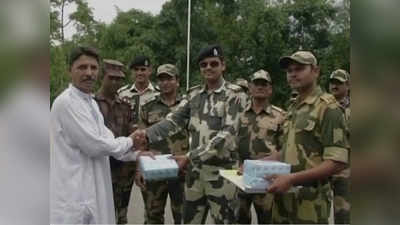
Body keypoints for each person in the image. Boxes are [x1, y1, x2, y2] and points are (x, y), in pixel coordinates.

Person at [133, 44, 248, 224]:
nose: (208, 68)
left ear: (223, 65)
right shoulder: (194, 94)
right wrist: (144, 134)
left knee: (224, 221)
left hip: (221, 173)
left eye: (213, 63)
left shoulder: (235, 95)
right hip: (194, 174)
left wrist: (189, 156)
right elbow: (173, 120)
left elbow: (227, 135)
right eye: (204, 65)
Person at [50, 46, 150, 224]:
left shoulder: (90, 103)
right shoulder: (66, 103)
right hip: (74, 195)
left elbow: (108, 141)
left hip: (92, 189)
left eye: (93, 68)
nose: (89, 73)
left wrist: (137, 154)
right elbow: (95, 146)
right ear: (69, 71)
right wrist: (130, 140)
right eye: (82, 67)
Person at [263, 51, 350, 224]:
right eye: (289, 70)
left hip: (310, 203)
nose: (293, 74)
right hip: (284, 199)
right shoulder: (294, 108)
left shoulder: (328, 109)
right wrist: (255, 165)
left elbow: (337, 161)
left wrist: (292, 179)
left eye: (299, 69)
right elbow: (289, 150)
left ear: (316, 71)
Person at [135, 64, 189, 224]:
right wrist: (139, 168)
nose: (165, 83)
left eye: (169, 78)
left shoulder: (188, 106)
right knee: (153, 216)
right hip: (154, 170)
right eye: (161, 79)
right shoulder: (148, 107)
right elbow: (141, 141)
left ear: (177, 81)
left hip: (181, 170)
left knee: (183, 216)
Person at [237, 70, 286, 224]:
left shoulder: (280, 116)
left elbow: (286, 148)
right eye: (256, 84)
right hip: (240, 176)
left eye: (264, 84)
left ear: (270, 89)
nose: (260, 87)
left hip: (267, 179)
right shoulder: (238, 114)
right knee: (240, 219)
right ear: (250, 88)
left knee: (267, 219)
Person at [94, 59, 139, 224]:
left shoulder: (127, 106)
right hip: (100, 170)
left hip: (123, 172)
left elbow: (134, 137)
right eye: (110, 77)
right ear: (102, 77)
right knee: (99, 216)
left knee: (121, 216)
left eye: (119, 78)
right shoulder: (91, 104)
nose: (115, 82)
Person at [329, 69, 351, 224]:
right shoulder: (323, 106)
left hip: (345, 168)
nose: (335, 85)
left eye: (339, 83)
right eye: (332, 82)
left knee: (343, 213)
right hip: (321, 165)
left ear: (348, 85)